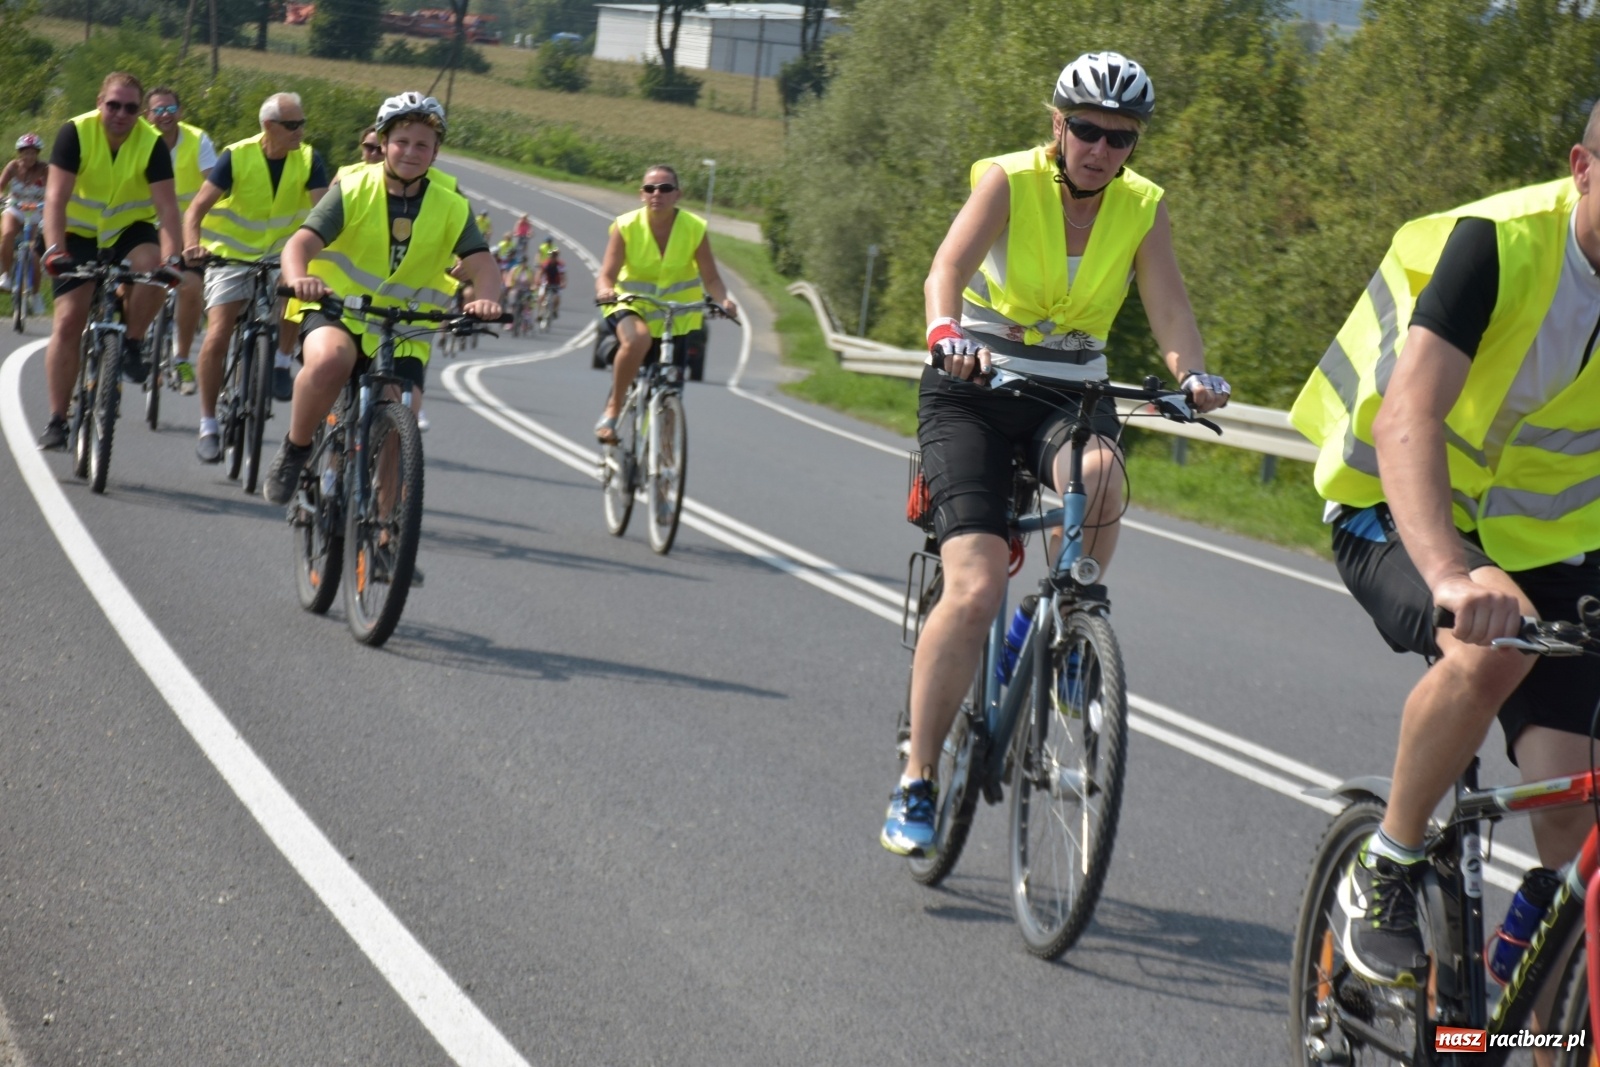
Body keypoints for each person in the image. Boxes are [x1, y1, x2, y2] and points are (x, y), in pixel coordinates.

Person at [880, 53, 1230, 856]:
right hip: (973, 387)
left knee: (1103, 475)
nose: (1101, 148)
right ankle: (918, 777)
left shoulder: (1142, 208)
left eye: (1120, 136)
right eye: (1086, 129)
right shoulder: (1008, 180)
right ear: (1056, 125)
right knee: (970, 592)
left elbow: (1170, 307)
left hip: (1068, 396)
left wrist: (1195, 374)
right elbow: (949, 268)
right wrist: (943, 334)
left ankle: (1064, 621)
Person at [1290, 101, 1600, 998]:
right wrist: (1452, 574)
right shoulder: (1498, 245)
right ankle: (1388, 861)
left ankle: (1533, 972)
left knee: (1572, 817)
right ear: (1582, 168)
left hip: (1542, 544)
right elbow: (1407, 416)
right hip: (1391, 506)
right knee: (1491, 644)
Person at [264, 92, 502, 507]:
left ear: (436, 151)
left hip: (406, 328)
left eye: (422, 145)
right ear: (384, 143)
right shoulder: (353, 189)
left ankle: (389, 535)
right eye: (401, 142)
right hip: (339, 311)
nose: (411, 152)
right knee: (331, 362)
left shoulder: (450, 204)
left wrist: (486, 299)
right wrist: (300, 279)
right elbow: (298, 246)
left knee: (400, 418)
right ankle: (295, 450)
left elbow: (483, 265)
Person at [36, 71, 182, 452]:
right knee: (69, 321)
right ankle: (57, 420)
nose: (121, 113)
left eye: (131, 108)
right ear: (100, 102)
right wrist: (55, 251)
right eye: (113, 105)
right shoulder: (76, 132)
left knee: (153, 271)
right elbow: (55, 199)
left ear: (140, 113)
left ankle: (132, 343)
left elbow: (167, 210)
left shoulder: (151, 144)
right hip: (77, 234)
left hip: (126, 231)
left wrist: (174, 259)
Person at [184, 91, 328, 463]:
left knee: (296, 291)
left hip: (282, 255)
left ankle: (281, 360)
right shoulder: (237, 156)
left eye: (302, 124)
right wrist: (192, 246)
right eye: (292, 125)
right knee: (218, 333)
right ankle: (209, 423)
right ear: (269, 126)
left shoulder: (310, 159)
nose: (300, 131)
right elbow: (196, 210)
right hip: (231, 256)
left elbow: (325, 214)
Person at [593, 164, 738, 442]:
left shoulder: (694, 228)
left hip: (676, 316)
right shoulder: (626, 226)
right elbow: (606, 276)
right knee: (638, 340)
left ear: (677, 195)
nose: (656, 193)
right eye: (650, 188)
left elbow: (712, 279)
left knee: (671, 392)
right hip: (630, 304)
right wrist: (606, 291)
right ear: (642, 194)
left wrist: (725, 301)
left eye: (665, 188)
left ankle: (664, 464)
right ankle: (612, 410)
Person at [145, 86, 216, 393]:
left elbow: (214, 181)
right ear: (148, 115)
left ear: (180, 112)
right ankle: (127, 343)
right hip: (145, 226)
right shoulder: (139, 139)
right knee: (127, 283)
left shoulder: (198, 139)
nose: (164, 115)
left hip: (187, 230)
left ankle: (182, 359)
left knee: (191, 288)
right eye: (158, 110)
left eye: (170, 109)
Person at [0, 133, 47, 295]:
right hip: (15, 208)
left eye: (33, 153)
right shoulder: (12, 167)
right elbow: (0, 186)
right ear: (20, 153)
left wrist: (49, 202)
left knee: (35, 253)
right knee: (7, 235)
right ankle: (5, 275)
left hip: (36, 211)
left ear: (37, 154)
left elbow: (52, 190)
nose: (29, 156)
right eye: (26, 153)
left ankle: (35, 293)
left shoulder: (44, 169)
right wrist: (2, 197)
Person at [536, 246, 564, 321]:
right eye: (552, 256)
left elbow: (562, 275)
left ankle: (555, 310)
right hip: (546, 282)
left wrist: (563, 283)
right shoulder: (546, 263)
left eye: (555, 256)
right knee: (541, 297)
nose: (553, 258)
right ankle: (540, 313)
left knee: (557, 298)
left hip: (556, 283)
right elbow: (540, 273)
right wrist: (538, 281)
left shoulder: (560, 264)